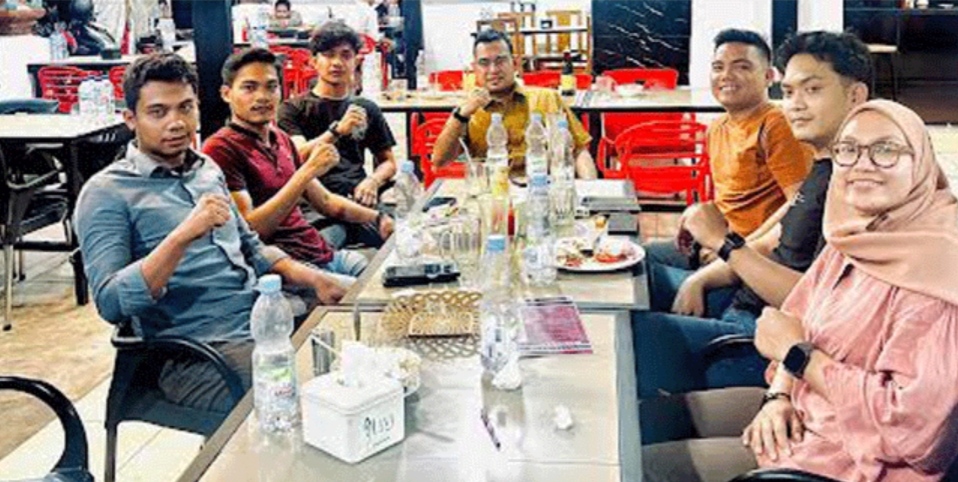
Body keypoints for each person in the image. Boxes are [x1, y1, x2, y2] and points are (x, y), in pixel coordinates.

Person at [640, 99, 958, 482]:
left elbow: (913, 433)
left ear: (921, 162)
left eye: (886, 150)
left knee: (641, 466)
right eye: (849, 150)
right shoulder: (856, 236)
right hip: (803, 413)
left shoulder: (936, 273)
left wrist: (801, 358)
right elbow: (797, 319)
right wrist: (779, 394)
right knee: (640, 421)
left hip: (849, 461)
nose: (862, 164)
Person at [74, 53, 348, 414]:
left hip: (260, 319)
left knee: (366, 342)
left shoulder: (206, 170)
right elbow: (110, 303)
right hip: (194, 355)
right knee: (320, 399)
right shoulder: (106, 193)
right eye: (158, 112)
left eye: (185, 108)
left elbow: (252, 248)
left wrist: (314, 278)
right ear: (131, 119)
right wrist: (181, 237)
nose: (176, 123)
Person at [632, 32, 872, 397]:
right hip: (746, 300)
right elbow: (771, 241)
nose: (795, 105)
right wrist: (704, 276)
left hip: (762, 338)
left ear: (855, 96)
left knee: (636, 333)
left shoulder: (858, 185)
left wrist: (724, 244)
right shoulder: (824, 166)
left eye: (812, 90)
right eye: (789, 92)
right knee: (637, 276)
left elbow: (818, 302)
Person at [204, 48, 392, 284]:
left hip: (322, 253)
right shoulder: (221, 148)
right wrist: (306, 172)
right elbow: (251, 230)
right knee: (369, 291)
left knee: (394, 274)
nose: (262, 97)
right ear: (226, 94)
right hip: (289, 269)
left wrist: (380, 218)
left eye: (271, 87)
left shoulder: (280, 138)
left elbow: (327, 202)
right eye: (249, 88)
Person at [645, 29, 813, 270]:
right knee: (640, 258)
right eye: (718, 67)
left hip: (756, 258)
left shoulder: (776, 125)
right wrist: (698, 216)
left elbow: (800, 206)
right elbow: (730, 202)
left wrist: (733, 252)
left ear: (768, 76)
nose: (726, 75)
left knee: (645, 275)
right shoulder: (717, 127)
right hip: (720, 244)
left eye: (742, 67)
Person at [277, 22, 397, 250]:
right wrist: (336, 131)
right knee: (322, 250)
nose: (337, 62)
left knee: (407, 238)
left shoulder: (366, 108)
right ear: (314, 61)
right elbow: (296, 157)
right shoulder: (292, 109)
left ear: (356, 61)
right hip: (316, 205)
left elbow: (388, 162)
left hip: (359, 200)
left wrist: (373, 181)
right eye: (329, 55)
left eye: (345, 55)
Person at [431, 29, 598, 180]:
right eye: (484, 63)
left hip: (542, 189)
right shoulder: (469, 111)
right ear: (475, 68)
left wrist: (591, 190)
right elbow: (439, 161)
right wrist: (461, 115)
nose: (493, 70)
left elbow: (579, 151)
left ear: (516, 63)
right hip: (495, 194)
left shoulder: (547, 99)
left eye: (500, 61)